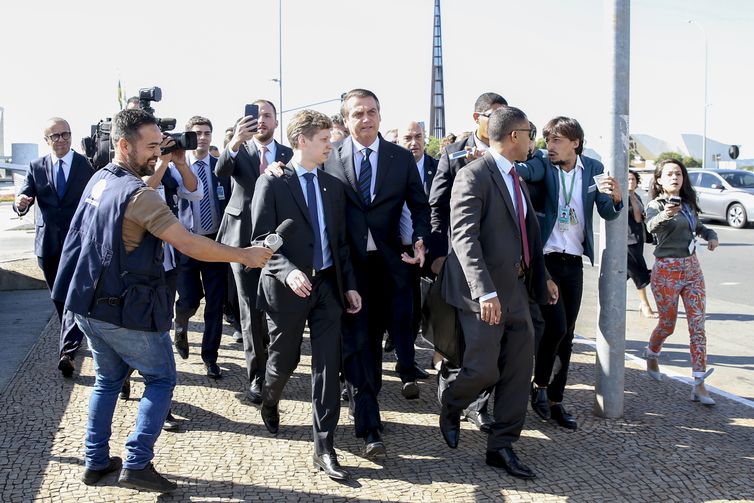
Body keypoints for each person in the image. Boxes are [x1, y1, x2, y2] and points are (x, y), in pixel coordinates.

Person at [51, 109, 272, 492]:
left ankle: (95, 460)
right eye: (151, 146)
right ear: (123, 145)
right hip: (122, 307)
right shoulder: (141, 197)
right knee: (161, 377)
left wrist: (168, 163)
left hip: (87, 303)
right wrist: (245, 255)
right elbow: (190, 244)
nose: (160, 152)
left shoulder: (100, 180)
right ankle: (137, 463)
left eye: (160, 144)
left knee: (107, 379)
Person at [437, 106, 551, 479]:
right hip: (483, 294)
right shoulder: (474, 176)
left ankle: (501, 446)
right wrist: (485, 292)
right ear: (514, 136)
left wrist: (542, 277)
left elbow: (525, 234)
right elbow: (464, 239)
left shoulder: (515, 176)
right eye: (530, 134)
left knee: (519, 369)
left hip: (516, 291)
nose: (534, 142)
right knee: (483, 369)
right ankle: (452, 401)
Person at [252, 110, 361, 481]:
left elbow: (339, 242)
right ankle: (269, 396)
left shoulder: (332, 186)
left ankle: (324, 446)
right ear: (302, 141)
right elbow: (259, 242)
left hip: (327, 287)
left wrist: (349, 285)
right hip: (288, 290)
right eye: (324, 139)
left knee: (329, 365)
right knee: (285, 359)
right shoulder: (273, 183)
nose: (330, 145)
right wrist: (288, 271)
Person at [322, 88, 430, 457]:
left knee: (389, 336)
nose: (365, 119)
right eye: (357, 114)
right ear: (345, 119)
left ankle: (369, 400)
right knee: (358, 343)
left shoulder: (400, 158)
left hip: (393, 268)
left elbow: (420, 205)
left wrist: (418, 238)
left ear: (381, 116)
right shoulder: (330, 158)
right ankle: (368, 425)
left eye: (371, 112)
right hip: (349, 268)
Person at [519, 116, 623, 431]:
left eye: (556, 141)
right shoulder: (541, 162)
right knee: (556, 326)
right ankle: (538, 385)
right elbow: (523, 170)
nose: (550, 146)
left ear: (574, 142)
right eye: (548, 140)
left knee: (568, 334)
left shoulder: (593, 167)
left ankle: (555, 401)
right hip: (546, 259)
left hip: (573, 260)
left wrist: (616, 197)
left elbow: (606, 210)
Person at [428, 92, 508, 432]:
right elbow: (436, 205)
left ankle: (478, 405)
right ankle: (450, 385)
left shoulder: (508, 154)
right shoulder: (452, 152)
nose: (498, 120)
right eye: (493, 114)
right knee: (459, 336)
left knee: (489, 340)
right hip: (459, 259)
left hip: (497, 262)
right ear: (477, 117)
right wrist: (436, 253)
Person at [215, 100, 292, 403]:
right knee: (249, 311)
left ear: (276, 121)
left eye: (267, 116)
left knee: (275, 309)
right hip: (241, 240)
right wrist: (234, 141)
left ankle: (276, 369)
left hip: (276, 242)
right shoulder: (239, 150)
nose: (261, 121)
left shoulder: (287, 154)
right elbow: (221, 171)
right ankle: (257, 377)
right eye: (256, 116)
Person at [13, 117, 93, 378]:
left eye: (65, 134)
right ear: (46, 140)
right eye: (55, 136)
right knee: (58, 297)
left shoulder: (84, 165)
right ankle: (72, 333)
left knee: (72, 293)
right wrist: (22, 203)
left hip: (77, 242)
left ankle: (67, 351)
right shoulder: (36, 166)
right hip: (46, 243)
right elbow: (23, 196)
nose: (61, 139)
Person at [644, 159, 718, 405]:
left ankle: (699, 384)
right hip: (666, 271)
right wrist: (666, 214)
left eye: (678, 173)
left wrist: (711, 235)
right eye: (669, 174)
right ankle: (652, 353)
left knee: (697, 326)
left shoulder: (687, 205)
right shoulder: (655, 205)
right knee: (668, 324)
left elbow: (699, 227)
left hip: (692, 270)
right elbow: (651, 227)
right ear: (659, 180)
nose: (675, 177)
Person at [171, 116, 232, 379]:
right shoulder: (176, 168)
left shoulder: (221, 168)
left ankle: (210, 357)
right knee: (189, 298)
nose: (203, 137)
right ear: (189, 136)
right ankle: (181, 324)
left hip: (214, 242)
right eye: (198, 133)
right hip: (186, 242)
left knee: (215, 303)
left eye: (207, 132)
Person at [385, 120, 437, 381]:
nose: (413, 142)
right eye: (408, 137)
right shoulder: (391, 167)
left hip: (429, 248)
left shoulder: (436, 168)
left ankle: (420, 359)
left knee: (422, 308)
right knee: (404, 309)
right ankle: (405, 362)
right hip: (398, 249)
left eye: (418, 136)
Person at [627, 169, 657, 318]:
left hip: (638, 239)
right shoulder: (625, 197)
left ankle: (609, 298)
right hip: (628, 240)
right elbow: (638, 218)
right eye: (628, 179)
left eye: (633, 179)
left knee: (625, 275)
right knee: (640, 274)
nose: (631, 182)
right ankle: (645, 304)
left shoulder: (636, 196)